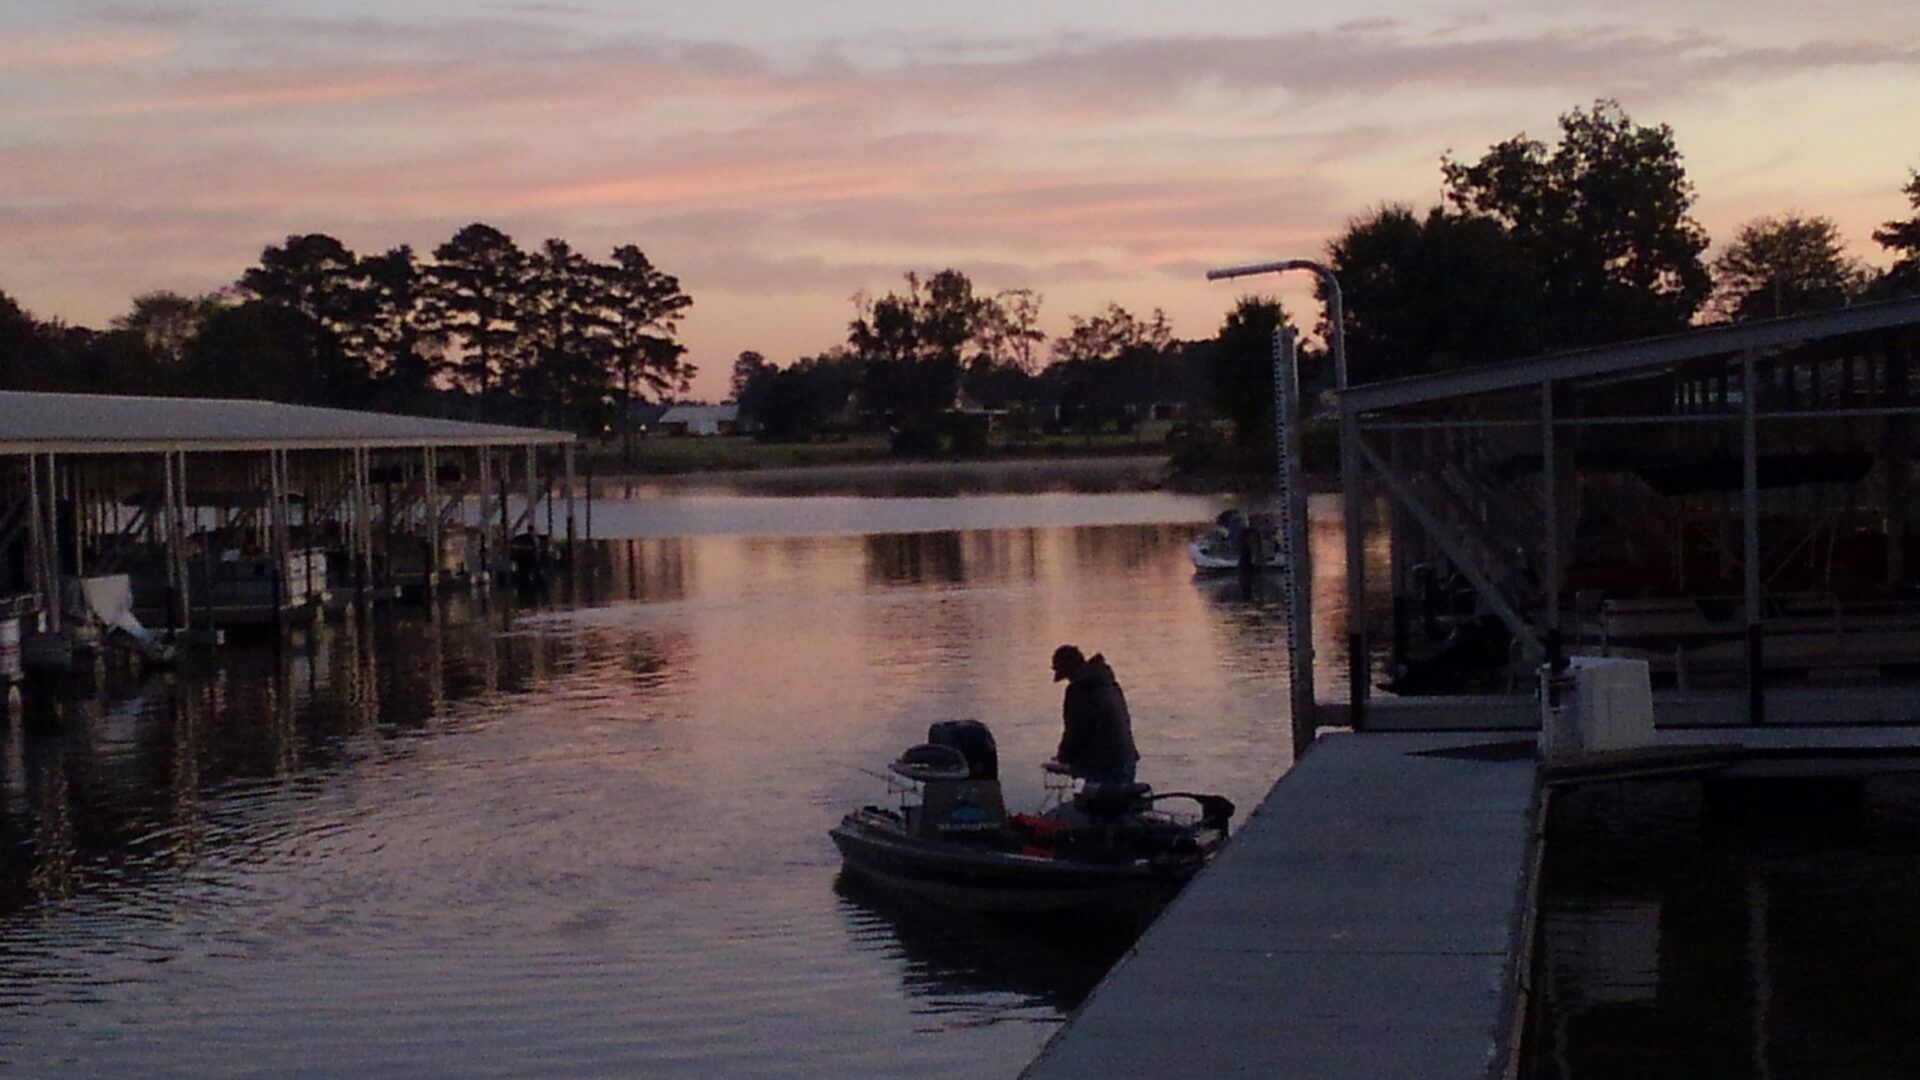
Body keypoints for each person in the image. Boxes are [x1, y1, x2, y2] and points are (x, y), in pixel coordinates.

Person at [1050, 644, 1140, 785]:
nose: (1067, 679)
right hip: (1127, 758)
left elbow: (1075, 731)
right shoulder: (1109, 683)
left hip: (1103, 765)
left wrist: (1064, 757)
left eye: (1065, 674)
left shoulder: (1079, 690)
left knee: (1098, 804)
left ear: (1070, 668)